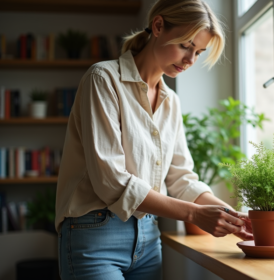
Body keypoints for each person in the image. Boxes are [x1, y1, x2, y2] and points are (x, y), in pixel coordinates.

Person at [55, 0, 253, 279]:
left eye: (198, 52)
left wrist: (230, 215)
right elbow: (110, 179)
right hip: (94, 235)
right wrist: (195, 215)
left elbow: (182, 178)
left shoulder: (171, 101)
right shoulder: (103, 79)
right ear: (158, 26)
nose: (190, 60)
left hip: (149, 238)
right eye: (186, 45)